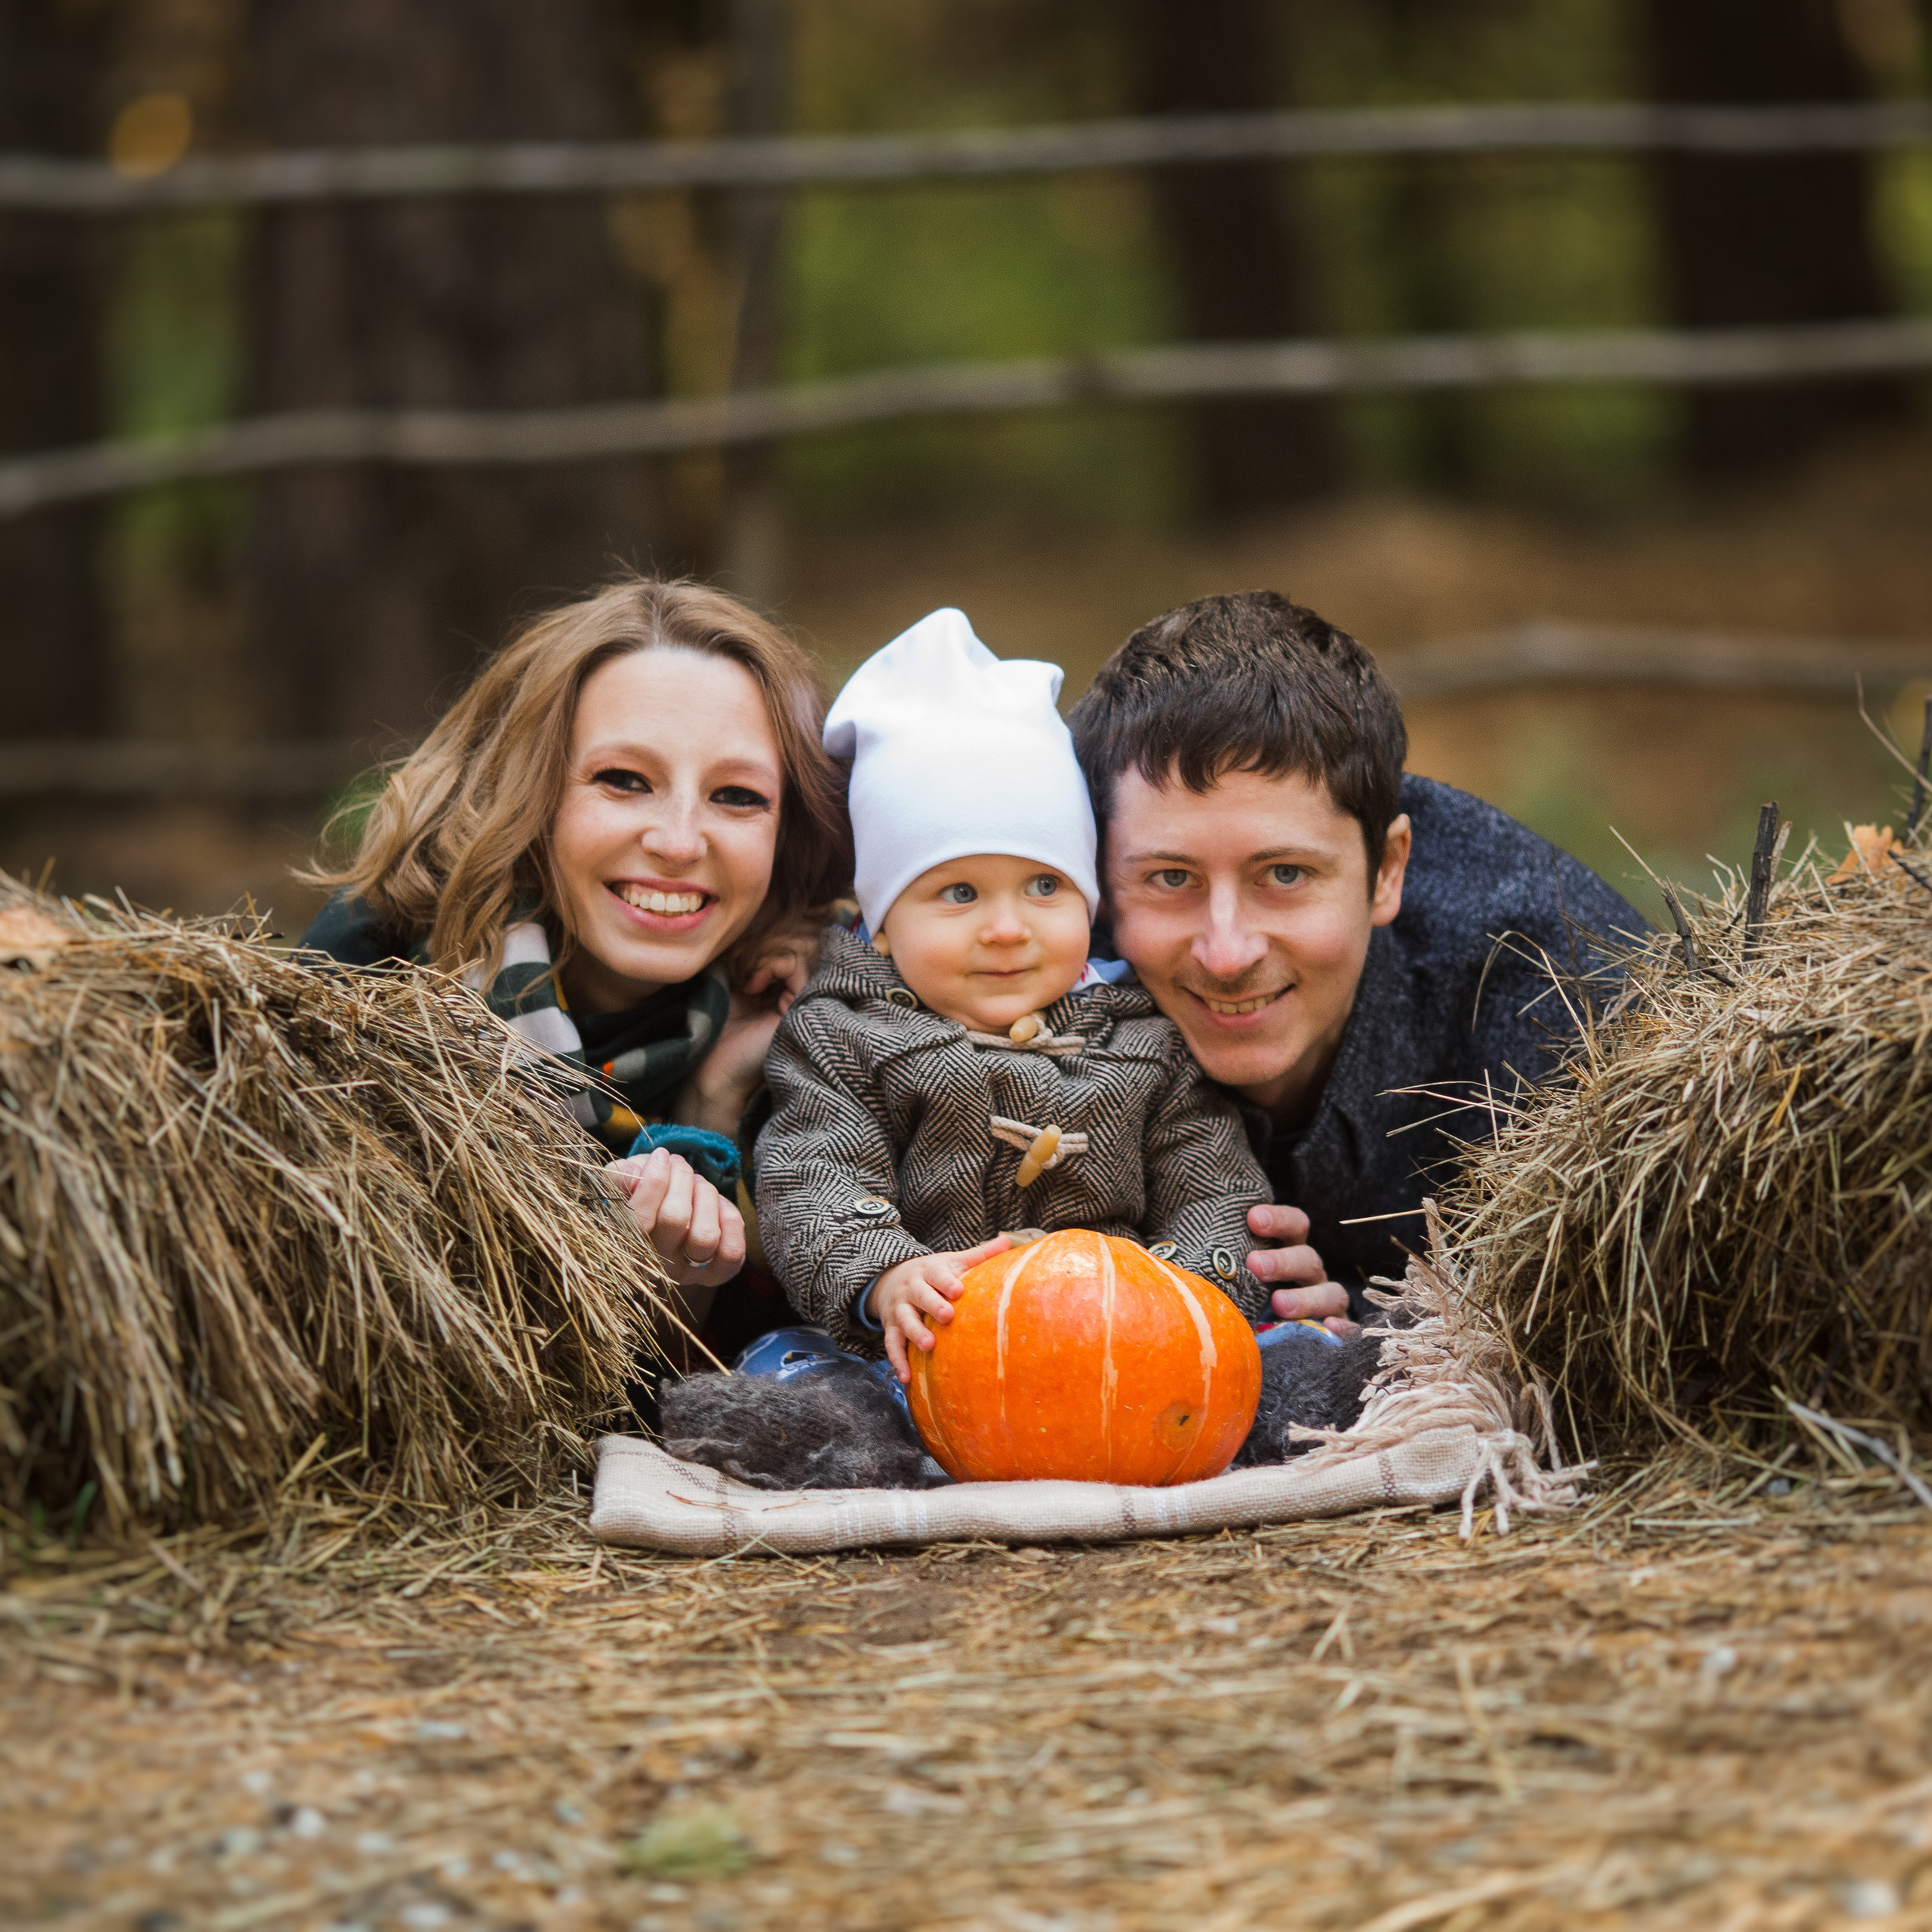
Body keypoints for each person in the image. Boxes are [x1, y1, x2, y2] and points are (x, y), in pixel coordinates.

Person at [1068, 590, 1646, 1325]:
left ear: (1386, 870)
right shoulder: (1028, 951)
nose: (1225, 953)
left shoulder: (1561, 998)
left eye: (1284, 875)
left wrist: (1369, 1332)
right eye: (1170, 878)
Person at [299, 574, 852, 1337]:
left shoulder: (821, 1032)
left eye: (737, 796)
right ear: (530, 794)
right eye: (623, 781)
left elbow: (703, 1394)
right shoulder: (367, 972)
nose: (679, 841)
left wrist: (713, 1110)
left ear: (788, 831)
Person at [752, 608, 1272, 1379]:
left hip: (1119, 1348)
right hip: (923, 1348)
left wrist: (1186, 1293)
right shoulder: (841, 1036)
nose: (1006, 928)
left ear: (1088, 902)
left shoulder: (1145, 1040)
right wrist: (883, 1275)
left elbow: (1215, 1182)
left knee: (1293, 1356)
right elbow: (811, 1174)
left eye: (1043, 885)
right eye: (958, 892)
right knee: (786, 1371)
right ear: (882, 924)